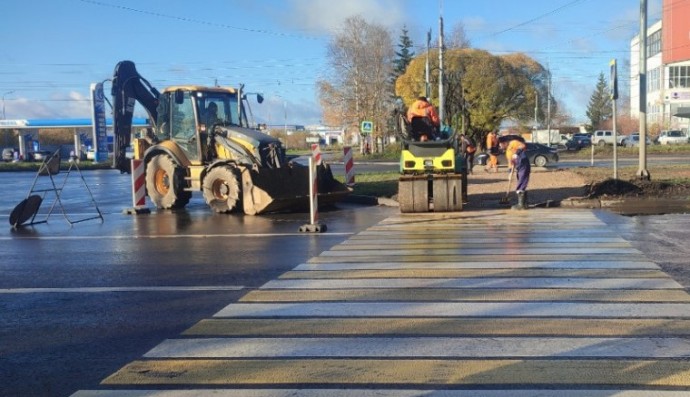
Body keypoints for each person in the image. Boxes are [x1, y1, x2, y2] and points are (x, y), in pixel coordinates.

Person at [507, 139, 530, 210]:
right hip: (519, 167)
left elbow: (522, 146)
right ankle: (524, 203)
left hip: (523, 165)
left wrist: (516, 153)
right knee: (520, 181)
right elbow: (510, 163)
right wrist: (510, 173)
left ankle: (521, 205)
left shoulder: (513, 143)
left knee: (522, 182)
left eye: (500, 144)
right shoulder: (508, 152)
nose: (499, 146)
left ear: (504, 142)